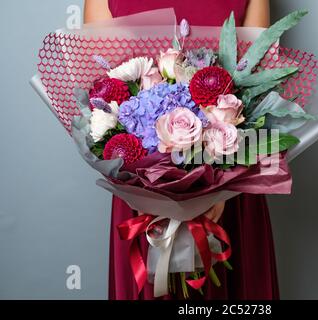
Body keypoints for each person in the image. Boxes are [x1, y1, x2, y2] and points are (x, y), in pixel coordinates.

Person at [84, 0, 278, 300]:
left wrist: (217, 190)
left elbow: (260, 94)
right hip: (141, 195)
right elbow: (101, 95)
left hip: (229, 189)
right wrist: (145, 193)